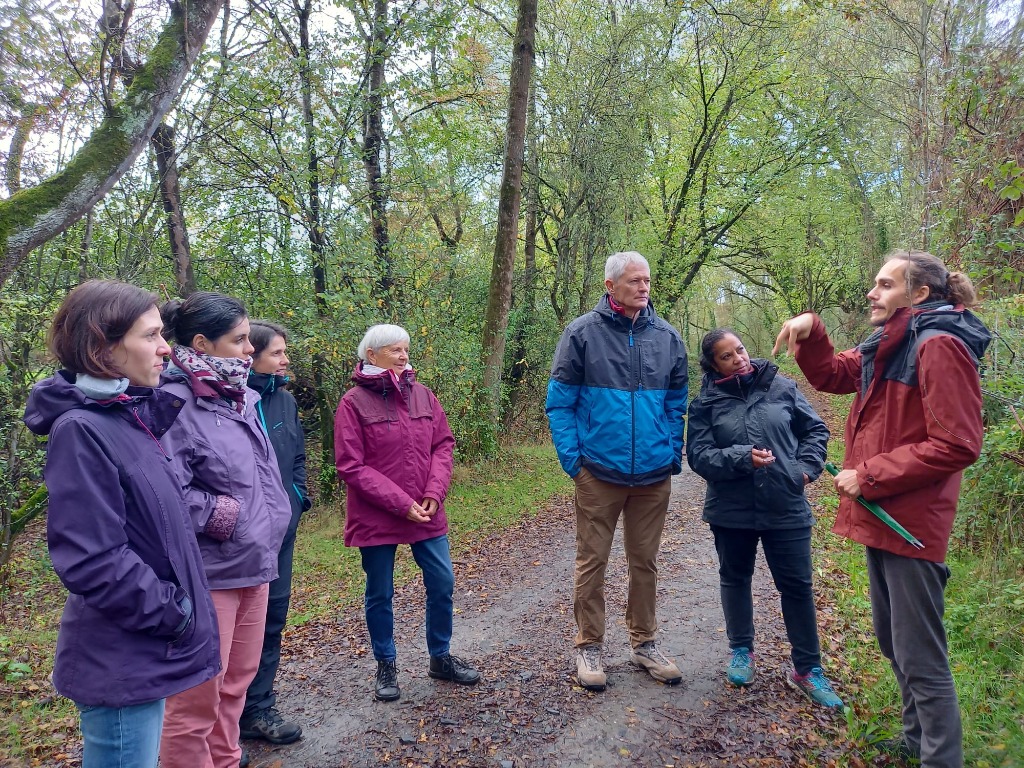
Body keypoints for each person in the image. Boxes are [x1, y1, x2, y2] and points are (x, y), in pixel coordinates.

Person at [774, 250, 991, 767]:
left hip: (911, 522)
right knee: (894, 643)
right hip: (883, 515)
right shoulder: (891, 341)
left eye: (885, 285)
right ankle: (916, 741)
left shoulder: (938, 345)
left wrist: (868, 475)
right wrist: (812, 329)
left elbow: (958, 443)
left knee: (921, 658)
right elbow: (833, 374)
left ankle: (940, 758)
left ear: (919, 294)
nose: (872, 293)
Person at [23, 280, 220, 768]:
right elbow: (93, 558)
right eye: (150, 335)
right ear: (102, 347)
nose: (165, 348)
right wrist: (174, 613)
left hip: (141, 648)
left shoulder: (127, 417)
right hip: (120, 658)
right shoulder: (81, 430)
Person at [158, 292, 292, 768]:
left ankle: (227, 759)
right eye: (239, 340)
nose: (249, 350)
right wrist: (225, 516)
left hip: (256, 562)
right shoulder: (172, 403)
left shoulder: (242, 396)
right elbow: (164, 493)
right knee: (197, 697)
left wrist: (277, 515)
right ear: (201, 343)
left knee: (236, 684)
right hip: (210, 573)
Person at [546, 250, 688, 691]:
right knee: (592, 561)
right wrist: (574, 463)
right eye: (634, 281)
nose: (644, 287)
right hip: (598, 472)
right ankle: (589, 646)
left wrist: (672, 452)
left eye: (647, 280)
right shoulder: (581, 334)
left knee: (645, 562)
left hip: (653, 475)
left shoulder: (667, 337)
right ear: (611, 286)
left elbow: (676, 404)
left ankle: (645, 643)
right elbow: (559, 404)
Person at [686, 329, 842, 708]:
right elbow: (699, 456)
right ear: (713, 365)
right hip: (731, 509)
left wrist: (803, 471)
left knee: (797, 586)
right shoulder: (705, 403)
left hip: (785, 503)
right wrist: (741, 457)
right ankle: (741, 651)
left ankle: (808, 669)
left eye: (740, 349)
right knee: (735, 578)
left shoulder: (781, 386)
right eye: (726, 356)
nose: (738, 359)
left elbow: (815, 430)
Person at [334, 324, 480, 702]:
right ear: (371, 355)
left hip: (426, 510)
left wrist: (434, 493)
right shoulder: (352, 402)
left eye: (406, 349)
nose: (404, 356)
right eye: (395, 350)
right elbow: (350, 465)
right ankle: (386, 664)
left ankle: (440, 657)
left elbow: (443, 446)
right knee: (380, 591)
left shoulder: (424, 395)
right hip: (377, 514)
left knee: (442, 582)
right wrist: (401, 503)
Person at [239, 321, 311, 745]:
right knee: (232, 629)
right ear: (251, 356)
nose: (285, 360)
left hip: (281, 533)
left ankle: (258, 708)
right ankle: (222, 723)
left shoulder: (284, 400)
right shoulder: (229, 401)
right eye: (277, 353)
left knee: (272, 620)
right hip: (237, 539)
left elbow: (297, 455)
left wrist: (298, 498)